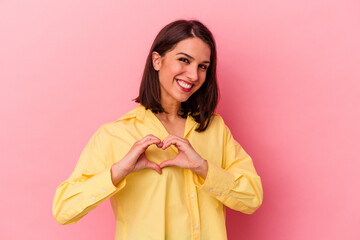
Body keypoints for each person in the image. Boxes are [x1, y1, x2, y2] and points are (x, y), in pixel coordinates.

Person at [52, 19, 263, 240]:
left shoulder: (215, 129)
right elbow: (63, 210)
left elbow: (252, 198)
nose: (193, 75)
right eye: (184, 60)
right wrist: (118, 172)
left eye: (202, 66)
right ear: (157, 60)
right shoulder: (115, 135)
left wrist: (203, 168)